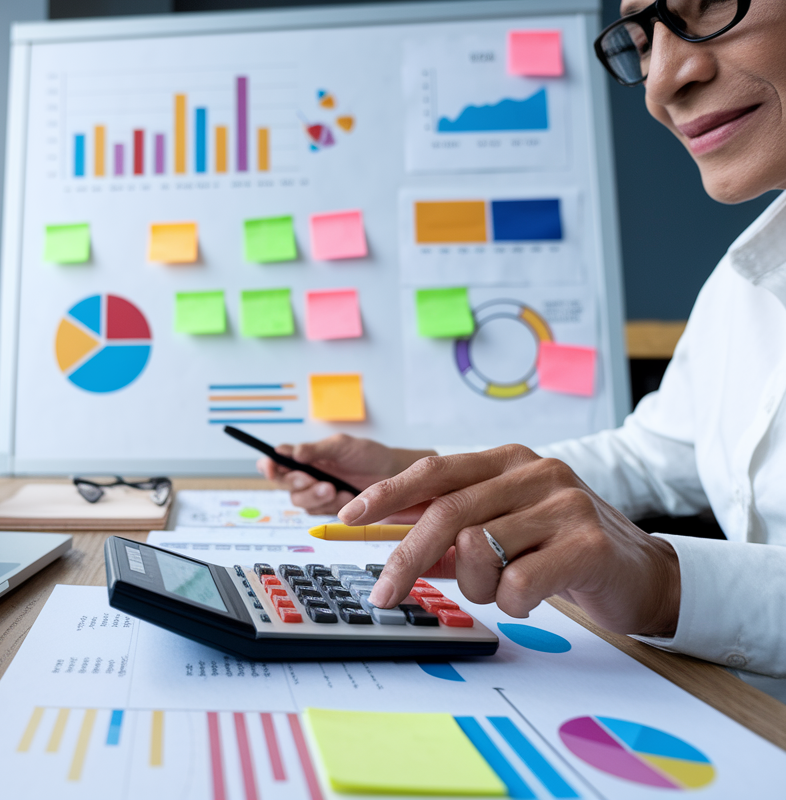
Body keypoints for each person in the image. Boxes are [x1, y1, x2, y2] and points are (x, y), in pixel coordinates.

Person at [259, 0, 786, 676]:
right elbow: (650, 457)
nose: (661, 82)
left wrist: (663, 584)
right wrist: (429, 479)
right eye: (642, 38)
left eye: (710, 5)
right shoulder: (747, 278)